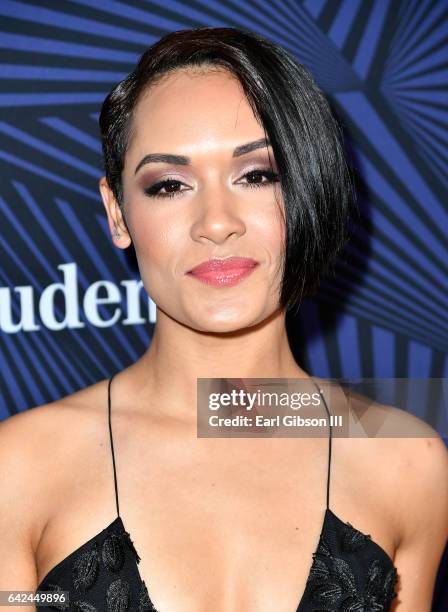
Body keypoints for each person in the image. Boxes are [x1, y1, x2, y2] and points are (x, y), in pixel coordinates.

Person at [0, 26, 447, 612]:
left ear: (312, 187)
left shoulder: (407, 463)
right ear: (118, 214)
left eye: (257, 176)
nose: (216, 222)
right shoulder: (20, 468)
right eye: (170, 185)